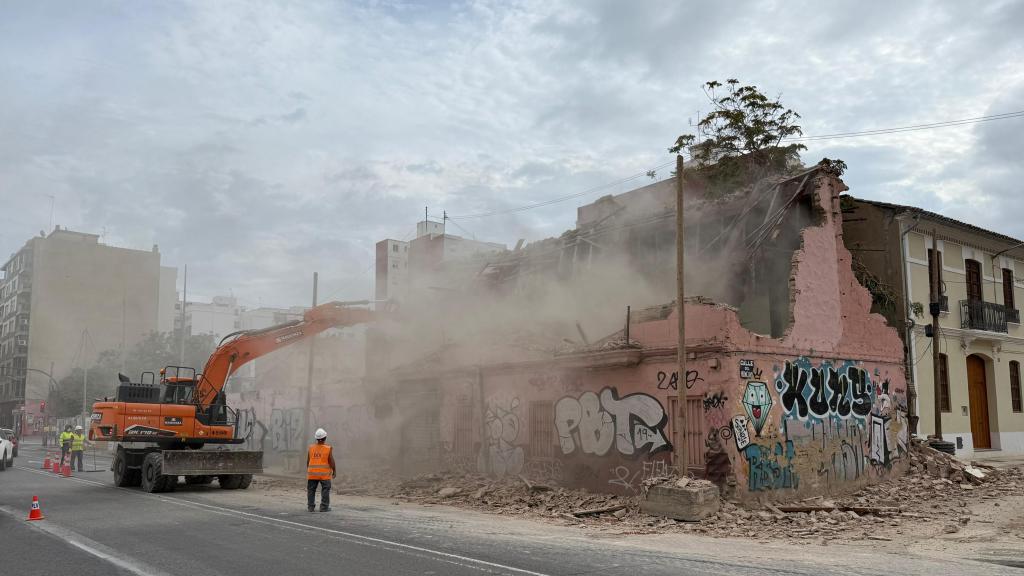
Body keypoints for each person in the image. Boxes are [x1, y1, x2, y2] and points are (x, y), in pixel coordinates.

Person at [306, 428, 336, 512]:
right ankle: (324, 507)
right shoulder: (328, 448)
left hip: (312, 474)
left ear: (316, 438)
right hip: (324, 475)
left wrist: (308, 471)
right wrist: (334, 471)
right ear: (325, 438)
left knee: (311, 490)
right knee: (325, 489)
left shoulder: (311, 448)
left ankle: (310, 507)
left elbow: (308, 461)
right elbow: (331, 461)